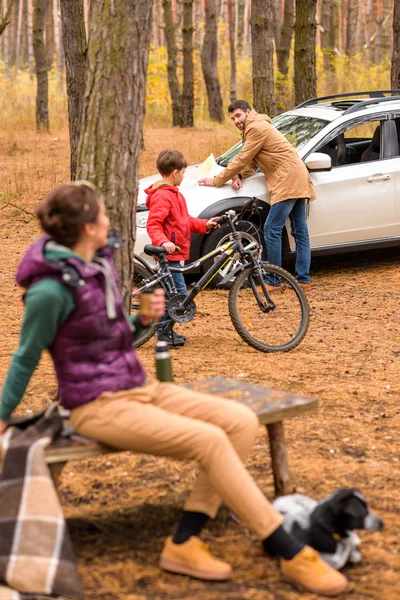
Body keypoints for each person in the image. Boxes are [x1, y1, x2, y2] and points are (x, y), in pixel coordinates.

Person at [0, 182, 348, 597]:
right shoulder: (50, 290)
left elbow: (115, 342)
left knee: (238, 422)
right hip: (95, 406)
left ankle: (184, 541)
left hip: (138, 388)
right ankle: (289, 551)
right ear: (88, 226)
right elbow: (25, 357)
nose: (110, 220)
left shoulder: (98, 269)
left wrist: (142, 322)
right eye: (103, 215)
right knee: (209, 440)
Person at [199, 100, 316, 291]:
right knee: (299, 230)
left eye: (238, 116)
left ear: (247, 112)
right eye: (232, 118)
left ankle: (273, 280)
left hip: (287, 179)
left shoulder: (256, 128)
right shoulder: (255, 127)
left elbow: (243, 157)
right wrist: (238, 175)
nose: (236, 121)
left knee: (272, 228)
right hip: (296, 176)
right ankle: (303, 279)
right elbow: (252, 162)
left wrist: (218, 180)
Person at [145, 149, 220, 347]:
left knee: (173, 294)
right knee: (176, 294)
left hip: (176, 254)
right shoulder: (163, 196)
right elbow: (153, 224)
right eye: (184, 172)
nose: (184, 176)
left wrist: (205, 224)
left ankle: (164, 331)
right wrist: (163, 243)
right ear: (175, 173)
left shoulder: (175, 195)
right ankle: (163, 334)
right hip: (168, 255)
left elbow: (184, 221)